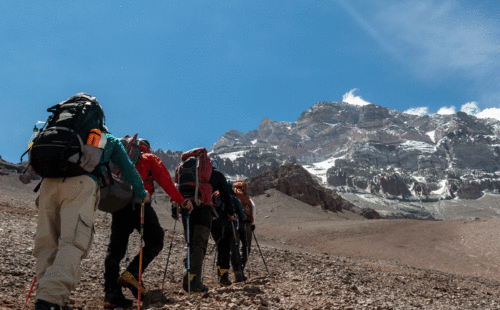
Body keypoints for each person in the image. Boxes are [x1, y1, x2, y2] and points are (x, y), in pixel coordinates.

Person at [32, 93, 148, 310]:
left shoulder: (56, 129)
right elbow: (128, 170)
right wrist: (141, 193)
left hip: (48, 185)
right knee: (73, 241)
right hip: (81, 185)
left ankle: (49, 298)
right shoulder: (106, 138)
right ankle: (50, 300)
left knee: (47, 243)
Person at [103, 138, 193, 308]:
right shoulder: (150, 159)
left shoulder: (119, 158)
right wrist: (181, 201)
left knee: (115, 251)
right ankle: (133, 273)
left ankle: (111, 294)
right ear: (146, 148)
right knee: (156, 239)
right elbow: (166, 182)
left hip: (118, 204)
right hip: (139, 203)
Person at [172, 157, 235, 293]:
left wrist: (174, 211)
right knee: (199, 243)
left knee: (189, 242)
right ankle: (194, 281)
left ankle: (187, 270)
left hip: (185, 206)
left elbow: (175, 187)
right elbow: (226, 194)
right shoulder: (216, 174)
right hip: (203, 209)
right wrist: (231, 213)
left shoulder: (186, 173)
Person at [211, 191, 247, 287]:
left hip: (213, 227)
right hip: (227, 227)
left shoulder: (214, 197)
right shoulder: (234, 200)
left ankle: (220, 276)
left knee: (220, 250)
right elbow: (243, 217)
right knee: (226, 252)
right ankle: (224, 278)